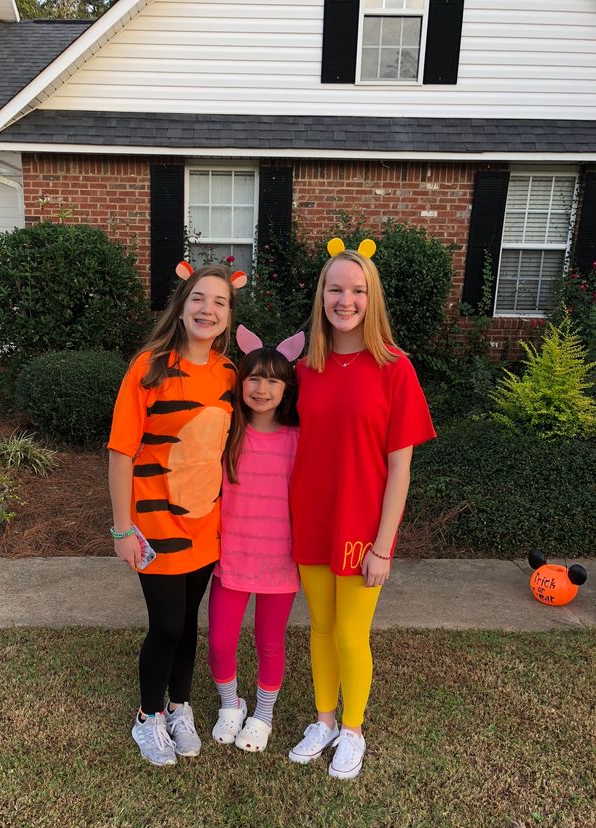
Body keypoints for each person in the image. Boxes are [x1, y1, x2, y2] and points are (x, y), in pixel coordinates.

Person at [288, 238, 436, 779]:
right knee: (321, 629)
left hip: (361, 528)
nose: (344, 300)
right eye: (335, 288)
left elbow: (401, 467)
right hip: (310, 520)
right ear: (321, 297)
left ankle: (352, 729)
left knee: (352, 634)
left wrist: (383, 546)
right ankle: (323, 720)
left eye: (356, 290)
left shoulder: (395, 368)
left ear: (371, 299)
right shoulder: (305, 369)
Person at [108, 261, 246, 766]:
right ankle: (148, 718)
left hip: (206, 524)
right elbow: (121, 452)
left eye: (219, 302)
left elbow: (228, 446)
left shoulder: (230, 374)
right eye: (198, 299)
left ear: (229, 316)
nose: (207, 310)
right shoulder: (149, 367)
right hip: (154, 524)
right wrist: (123, 529)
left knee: (188, 622)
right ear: (181, 307)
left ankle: (179, 706)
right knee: (166, 623)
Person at [207, 325, 304, 753]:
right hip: (231, 558)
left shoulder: (299, 439)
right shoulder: (228, 433)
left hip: (280, 561)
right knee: (220, 640)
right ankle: (232, 705)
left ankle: (263, 714)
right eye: (253, 378)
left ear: (286, 388)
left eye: (273, 380)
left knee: (270, 641)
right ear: (239, 381)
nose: (262, 389)